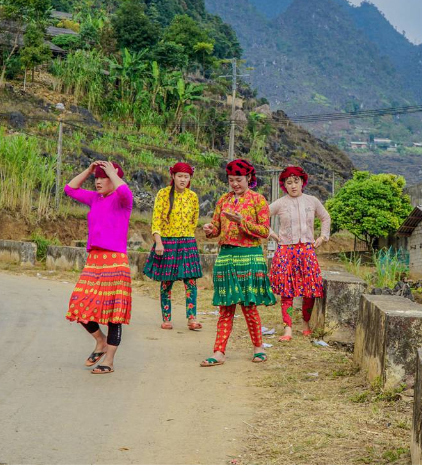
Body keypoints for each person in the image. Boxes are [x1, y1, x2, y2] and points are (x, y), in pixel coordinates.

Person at [200, 159, 275, 366]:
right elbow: (216, 229)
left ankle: (259, 348)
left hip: (249, 257)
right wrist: (209, 230)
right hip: (226, 257)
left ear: (249, 178)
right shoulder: (223, 200)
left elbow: (265, 231)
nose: (235, 184)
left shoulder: (258, 200)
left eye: (239, 180)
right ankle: (218, 352)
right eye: (231, 180)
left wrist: (242, 222)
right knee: (226, 307)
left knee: (249, 306)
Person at [64, 161, 133, 375]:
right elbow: (69, 189)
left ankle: (109, 361)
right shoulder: (95, 198)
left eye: (103, 178)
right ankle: (100, 341)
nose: (98, 181)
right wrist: (89, 170)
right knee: (79, 305)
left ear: (113, 178)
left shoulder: (122, 201)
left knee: (114, 313)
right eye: (97, 178)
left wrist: (112, 172)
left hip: (115, 261)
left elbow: (125, 191)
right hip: (94, 261)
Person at [268, 166, 330, 342]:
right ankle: (288, 328)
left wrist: (323, 237)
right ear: (284, 185)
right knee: (287, 291)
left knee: (309, 290)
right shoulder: (280, 203)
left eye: (296, 181)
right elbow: (261, 216)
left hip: (307, 250)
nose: (293, 185)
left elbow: (325, 217)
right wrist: (271, 234)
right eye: (289, 182)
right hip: (285, 250)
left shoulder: (312, 201)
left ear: (303, 182)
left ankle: (305, 323)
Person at [143, 162, 203, 331]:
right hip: (167, 242)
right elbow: (156, 220)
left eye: (186, 176)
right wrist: (159, 241)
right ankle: (166, 318)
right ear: (173, 176)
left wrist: (187, 237)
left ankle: (192, 318)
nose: (183, 179)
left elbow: (194, 220)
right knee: (166, 282)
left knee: (191, 281)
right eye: (180, 176)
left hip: (187, 241)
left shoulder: (193, 197)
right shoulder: (163, 194)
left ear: (190, 178)